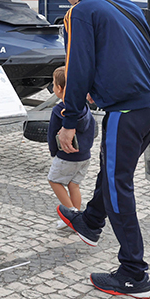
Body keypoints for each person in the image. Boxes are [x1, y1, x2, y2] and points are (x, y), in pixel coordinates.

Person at [53, 0, 150, 299]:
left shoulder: (81, 11)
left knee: (118, 187)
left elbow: (77, 68)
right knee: (112, 172)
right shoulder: (125, 3)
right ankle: (90, 221)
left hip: (126, 109)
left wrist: (69, 122)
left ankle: (134, 273)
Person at [45, 66, 95, 229]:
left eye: (53, 84)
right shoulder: (85, 107)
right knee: (74, 185)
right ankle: (77, 218)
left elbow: (52, 133)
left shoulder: (59, 110)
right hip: (84, 156)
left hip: (67, 156)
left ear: (59, 88)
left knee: (54, 181)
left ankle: (72, 214)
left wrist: (53, 151)